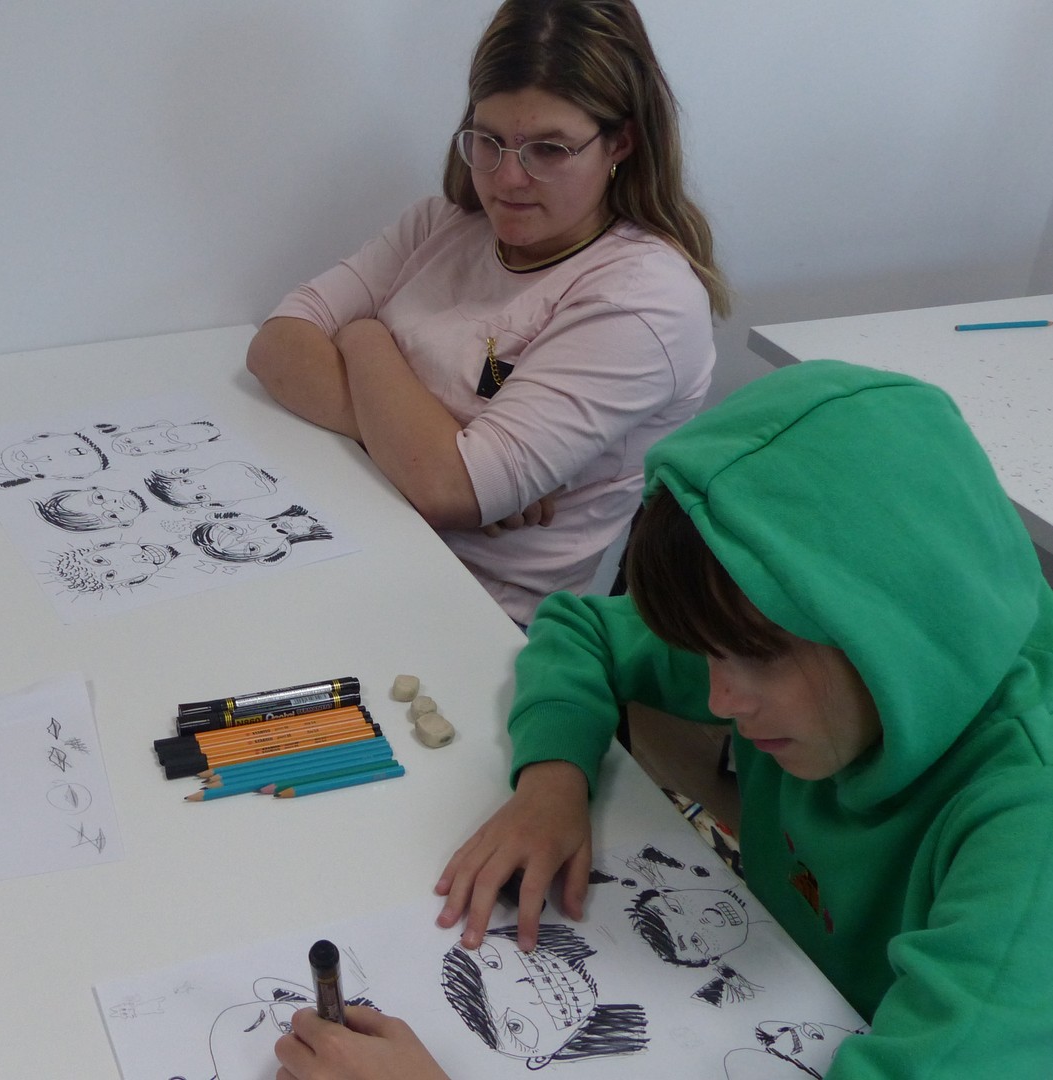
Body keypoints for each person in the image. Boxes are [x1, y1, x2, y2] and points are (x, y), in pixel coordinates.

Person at [274, 359, 1053, 1078]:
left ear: (890, 632)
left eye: (754, 658)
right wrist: (552, 781)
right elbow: (581, 629)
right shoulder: (792, 641)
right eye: (706, 654)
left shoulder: (1025, 834)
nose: (719, 702)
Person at [246, 0, 725, 626]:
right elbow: (277, 344)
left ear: (622, 142)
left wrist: (362, 338)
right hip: (355, 529)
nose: (508, 178)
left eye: (548, 149)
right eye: (489, 141)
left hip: (476, 613)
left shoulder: (642, 300)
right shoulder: (441, 223)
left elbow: (448, 491)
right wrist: (432, 451)